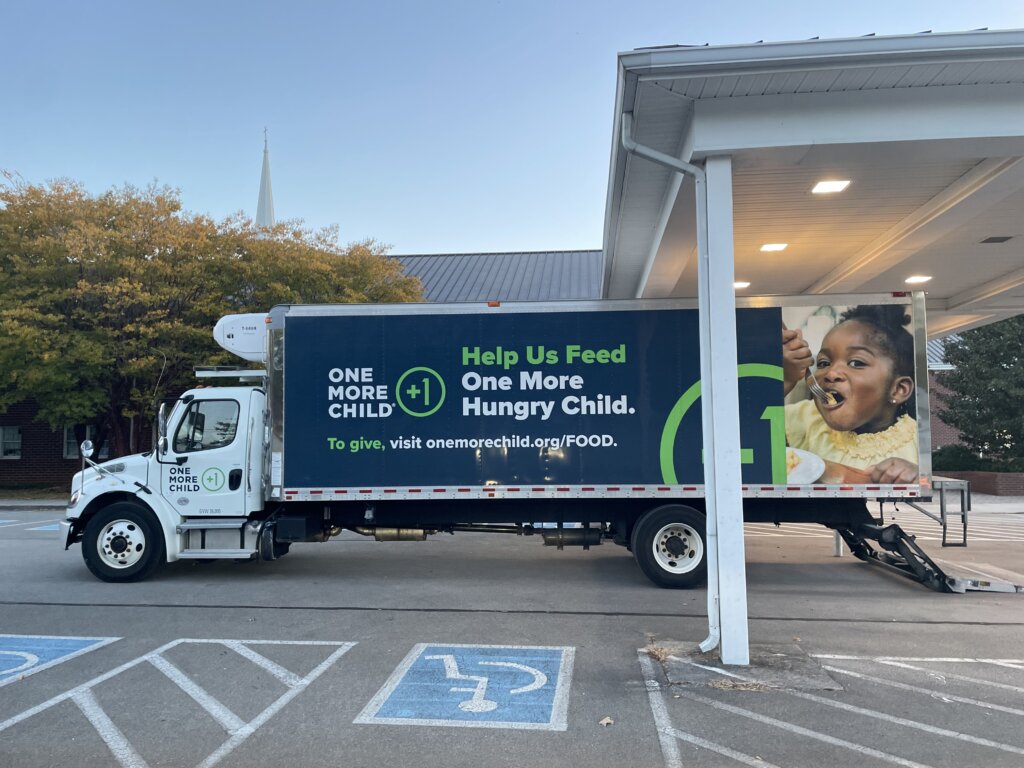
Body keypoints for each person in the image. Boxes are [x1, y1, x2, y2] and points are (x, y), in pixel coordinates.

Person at [782, 305, 918, 484]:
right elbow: (747, 431)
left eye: (855, 363)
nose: (831, 373)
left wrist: (917, 475)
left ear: (898, 389)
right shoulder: (807, 419)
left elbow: (930, 485)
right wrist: (784, 381)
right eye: (823, 363)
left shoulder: (916, 441)